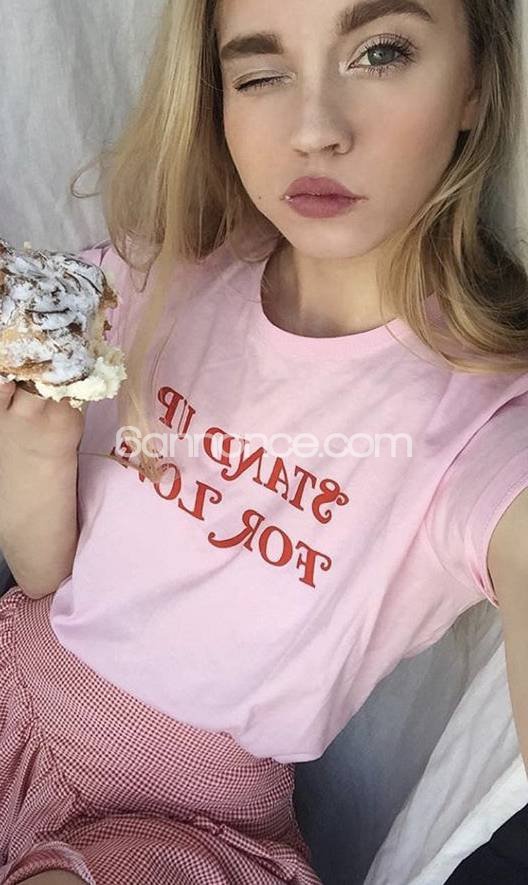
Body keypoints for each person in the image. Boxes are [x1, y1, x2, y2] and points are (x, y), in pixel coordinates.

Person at [1, 0, 527, 883]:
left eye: (381, 53)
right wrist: (36, 453)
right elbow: (47, 578)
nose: (314, 130)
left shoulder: (483, 418)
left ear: (475, 81)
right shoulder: (154, 277)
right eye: (261, 74)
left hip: (184, 821)